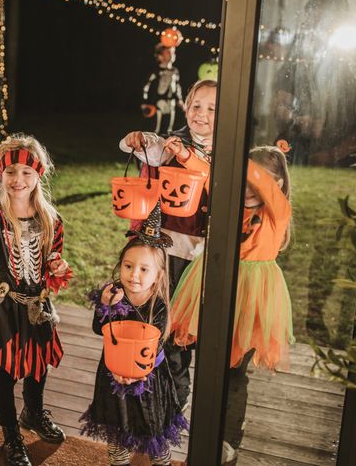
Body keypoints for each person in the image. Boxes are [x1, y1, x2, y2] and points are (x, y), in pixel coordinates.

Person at [168, 145, 294, 464]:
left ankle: (227, 442)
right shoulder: (230, 200)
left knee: (235, 373)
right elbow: (214, 177)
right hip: (214, 282)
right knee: (208, 364)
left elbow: (251, 180)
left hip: (253, 296)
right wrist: (185, 157)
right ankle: (201, 430)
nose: (249, 189)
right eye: (244, 183)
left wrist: (240, 164)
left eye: (259, 182)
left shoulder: (278, 212)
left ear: (277, 185)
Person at [0, 133, 72, 466]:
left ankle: (33, 413)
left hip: (38, 307)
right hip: (4, 308)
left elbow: (54, 260)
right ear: (0, 175)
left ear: (39, 175)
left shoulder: (52, 220)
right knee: (5, 373)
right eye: (10, 172)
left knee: (38, 366)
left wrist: (57, 265)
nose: (18, 180)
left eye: (26, 172)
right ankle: (11, 434)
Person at [119, 79, 218, 410]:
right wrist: (140, 139)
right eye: (195, 106)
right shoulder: (173, 144)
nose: (201, 114)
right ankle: (157, 399)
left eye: (212, 108)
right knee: (163, 324)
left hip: (203, 260)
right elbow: (147, 147)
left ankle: (177, 402)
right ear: (185, 107)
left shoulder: (227, 154)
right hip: (166, 252)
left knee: (189, 333)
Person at [80, 206, 188, 466]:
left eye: (143, 269)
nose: (134, 275)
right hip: (113, 376)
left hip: (149, 381)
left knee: (154, 435)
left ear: (158, 275)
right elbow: (99, 328)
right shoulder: (115, 295)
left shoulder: (158, 307)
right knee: (118, 433)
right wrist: (105, 306)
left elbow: (150, 344)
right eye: (128, 266)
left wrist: (134, 373)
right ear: (121, 266)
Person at [141, 43, 184, 134]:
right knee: (156, 128)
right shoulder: (156, 71)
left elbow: (177, 86)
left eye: (173, 52)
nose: (172, 55)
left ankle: (167, 144)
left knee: (169, 129)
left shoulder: (175, 71)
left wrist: (180, 100)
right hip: (158, 102)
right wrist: (145, 102)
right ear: (160, 56)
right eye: (168, 52)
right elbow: (146, 86)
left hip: (171, 102)